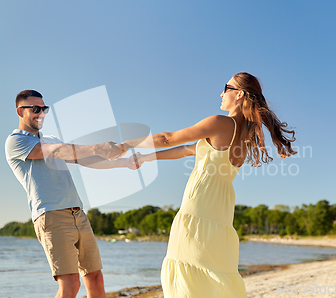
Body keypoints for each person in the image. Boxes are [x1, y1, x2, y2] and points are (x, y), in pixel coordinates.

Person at [122, 72, 296, 298]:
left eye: (226, 87)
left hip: (199, 205)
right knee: (214, 273)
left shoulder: (219, 123)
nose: (221, 93)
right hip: (221, 211)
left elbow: (169, 138)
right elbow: (188, 150)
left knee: (186, 273)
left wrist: (128, 143)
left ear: (240, 94)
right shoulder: (245, 135)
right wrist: (145, 157)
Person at [5, 90, 138, 298]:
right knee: (71, 285)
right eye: (35, 109)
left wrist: (124, 163)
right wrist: (98, 146)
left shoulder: (51, 139)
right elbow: (57, 152)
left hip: (78, 214)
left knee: (95, 278)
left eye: (44, 109)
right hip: (51, 216)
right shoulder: (15, 141)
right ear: (20, 112)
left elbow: (83, 159)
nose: (41, 113)